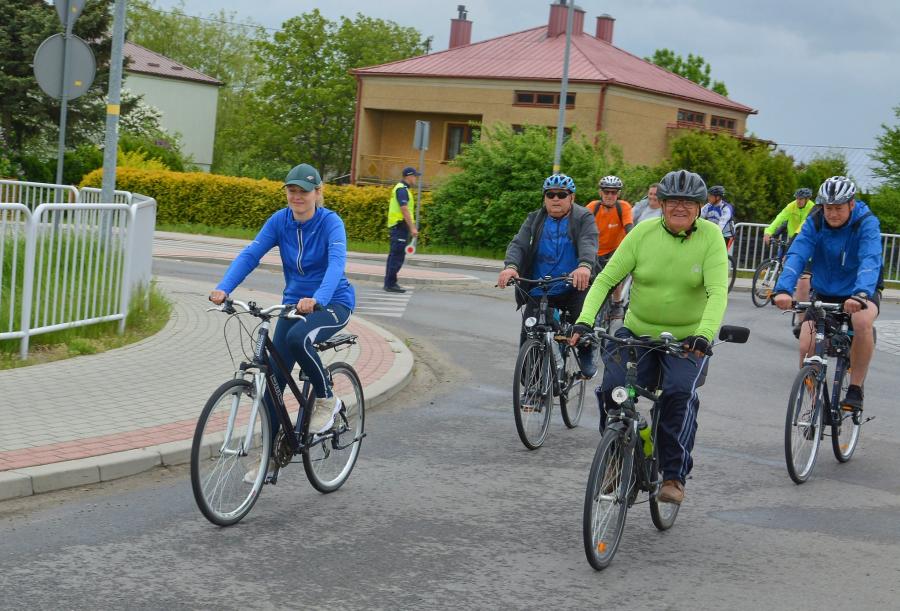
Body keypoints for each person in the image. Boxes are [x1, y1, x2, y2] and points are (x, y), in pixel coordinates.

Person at [570, 169, 729, 505]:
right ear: (663, 204)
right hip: (637, 333)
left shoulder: (711, 237)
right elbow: (605, 279)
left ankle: (673, 475)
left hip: (686, 339)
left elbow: (717, 293)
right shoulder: (643, 233)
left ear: (699, 207)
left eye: (688, 202)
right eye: (674, 201)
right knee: (613, 390)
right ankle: (618, 456)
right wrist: (584, 321)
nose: (680, 207)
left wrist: (704, 335)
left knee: (677, 395)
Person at [210, 163, 356, 473]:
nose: (297, 196)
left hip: (333, 303)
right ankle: (272, 457)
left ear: (318, 193)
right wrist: (224, 288)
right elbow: (251, 254)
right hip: (294, 306)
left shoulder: (330, 223)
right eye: (292, 190)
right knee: (273, 381)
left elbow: (336, 265)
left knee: (297, 338)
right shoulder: (280, 221)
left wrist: (318, 298)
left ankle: (327, 399)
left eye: (304, 191)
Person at [772, 176, 882, 413]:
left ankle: (855, 389)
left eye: (838, 208)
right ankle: (815, 405)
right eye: (828, 208)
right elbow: (798, 254)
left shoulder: (865, 222)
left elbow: (870, 259)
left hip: (861, 288)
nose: (832, 214)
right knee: (806, 344)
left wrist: (860, 294)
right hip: (825, 289)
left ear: (851, 204)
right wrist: (783, 289)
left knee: (862, 321)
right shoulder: (815, 221)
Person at [497, 173, 599, 378]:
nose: (555, 199)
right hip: (540, 287)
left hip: (573, 285)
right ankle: (532, 381)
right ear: (544, 198)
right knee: (530, 333)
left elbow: (588, 241)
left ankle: (586, 351)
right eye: (550, 194)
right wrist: (511, 266)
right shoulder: (535, 219)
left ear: (572, 197)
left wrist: (585, 266)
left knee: (582, 324)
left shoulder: (583, 217)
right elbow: (519, 244)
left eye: (562, 194)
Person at [586, 175, 634, 317]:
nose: (610, 195)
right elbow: (581, 226)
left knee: (614, 275)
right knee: (589, 279)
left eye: (614, 192)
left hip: (615, 249)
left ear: (618, 194)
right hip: (595, 250)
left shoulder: (623, 207)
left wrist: (633, 242)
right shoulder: (592, 207)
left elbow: (629, 227)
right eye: (606, 192)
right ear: (600, 192)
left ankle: (617, 303)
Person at [763, 187, 815, 301]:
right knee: (783, 261)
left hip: (807, 238)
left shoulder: (812, 208)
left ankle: (811, 290)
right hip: (793, 237)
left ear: (807, 199)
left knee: (806, 268)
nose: (798, 201)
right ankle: (780, 291)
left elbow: (803, 225)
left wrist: (793, 240)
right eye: (797, 198)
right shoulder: (791, 206)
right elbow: (780, 218)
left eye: (801, 199)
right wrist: (769, 232)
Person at [383, 166, 421, 293]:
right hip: (400, 227)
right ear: (408, 176)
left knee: (394, 255)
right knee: (397, 256)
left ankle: (389, 282)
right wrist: (413, 228)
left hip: (399, 227)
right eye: (415, 176)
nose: (416, 179)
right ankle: (390, 284)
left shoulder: (403, 189)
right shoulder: (402, 190)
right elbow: (404, 209)